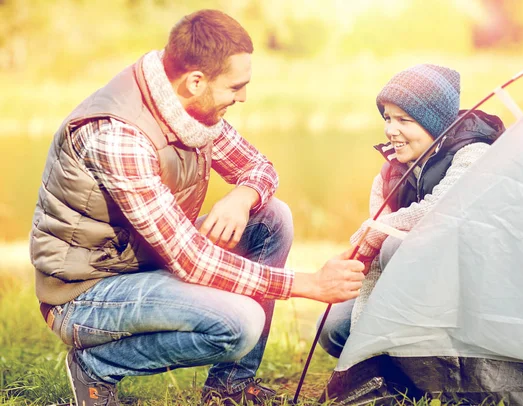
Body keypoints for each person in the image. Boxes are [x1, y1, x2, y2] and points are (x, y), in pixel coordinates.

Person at [29, 9, 365, 406]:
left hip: (141, 264)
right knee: (241, 323)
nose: (243, 97)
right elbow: (191, 261)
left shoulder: (189, 107)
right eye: (236, 86)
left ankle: (229, 389)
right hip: (84, 295)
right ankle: (96, 366)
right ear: (194, 81)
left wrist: (243, 198)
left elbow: (259, 168)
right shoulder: (120, 137)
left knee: (273, 218)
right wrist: (307, 284)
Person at [318, 63, 504, 358]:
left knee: (396, 243)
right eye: (388, 118)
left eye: (404, 120)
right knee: (333, 327)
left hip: (469, 294)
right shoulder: (388, 174)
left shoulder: (473, 154)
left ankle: (437, 360)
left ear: (434, 123)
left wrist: (378, 230)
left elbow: (440, 209)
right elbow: (374, 257)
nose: (391, 130)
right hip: (408, 291)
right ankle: (398, 364)